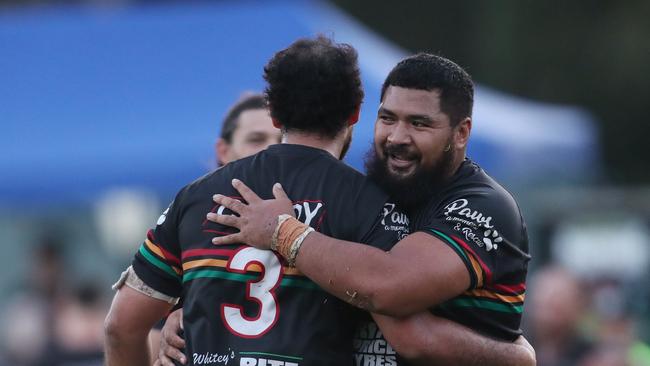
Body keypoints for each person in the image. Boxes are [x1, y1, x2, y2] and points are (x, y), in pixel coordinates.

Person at [105, 36, 534, 366]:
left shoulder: (481, 205)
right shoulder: (370, 201)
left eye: (419, 123)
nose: (398, 137)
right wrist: (192, 310)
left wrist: (283, 233)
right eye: (388, 119)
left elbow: (121, 326)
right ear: (358, 113)